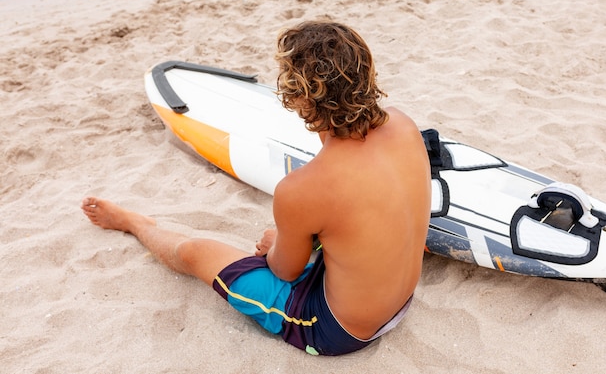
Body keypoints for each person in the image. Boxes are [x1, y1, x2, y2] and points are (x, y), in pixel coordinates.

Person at [82, 21, 432, 356]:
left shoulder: (302, 189)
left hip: (338, 329)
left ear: (300, 98)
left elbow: (284, 272)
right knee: (296, 235)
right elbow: (359, 211)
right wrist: (296, 240)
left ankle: (136, 224)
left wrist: (278, 247)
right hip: (398, 300)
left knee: (196, 253)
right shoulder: (403, 125)